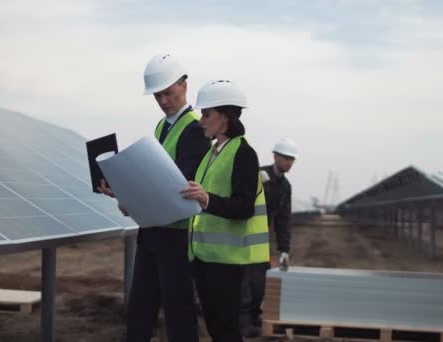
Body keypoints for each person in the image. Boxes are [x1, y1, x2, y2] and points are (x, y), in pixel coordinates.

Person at [99, 53, 210, 342]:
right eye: (157, 96)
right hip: (151, 234)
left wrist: (141, 195)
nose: (162, 101)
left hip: (177, 239)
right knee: (139, 311)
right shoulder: (162, 127)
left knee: (178, 314)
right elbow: (156, 183)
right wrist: (126, 195)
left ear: (184, 86)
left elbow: (181, 190)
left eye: (168, 93)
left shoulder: (196, 130)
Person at [181, 80, 270, 342]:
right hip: (205, 258)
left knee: (227, 331)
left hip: (229, 262)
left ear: (225, 116)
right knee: (216, 328)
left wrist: (207, 198)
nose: (201, 121)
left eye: (206, 114)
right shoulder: (213, 154)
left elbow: (243, 207)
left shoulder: (243, 153)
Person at [239, 138, 297, 337]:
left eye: (292, 159)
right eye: (286, 158)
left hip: (262, 241)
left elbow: (283, 218)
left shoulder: (285, 187)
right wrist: (257, 182)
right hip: (244, 237)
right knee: (245, 283)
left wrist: (285, 249)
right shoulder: (259, 175)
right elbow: (241, 196)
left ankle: (254, 317)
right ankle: (243, 324)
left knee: (261, 283)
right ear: (275, 156)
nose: (289, 162)